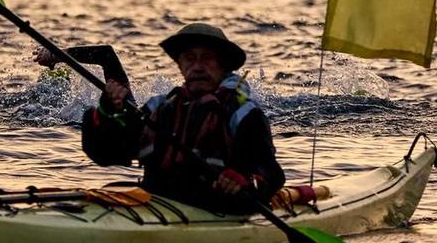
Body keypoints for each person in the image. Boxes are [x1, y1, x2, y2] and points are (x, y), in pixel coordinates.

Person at [73, 22, 287, 215]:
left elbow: (271, 174)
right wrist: (108, 111)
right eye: (190, 58)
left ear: (223, 66)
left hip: (217, 209)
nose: (198, 66)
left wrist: (245, 181)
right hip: (156, 203)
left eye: (207, 58)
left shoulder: (243, 114)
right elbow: (107, 154)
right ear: (180, 65)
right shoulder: (160, 107)